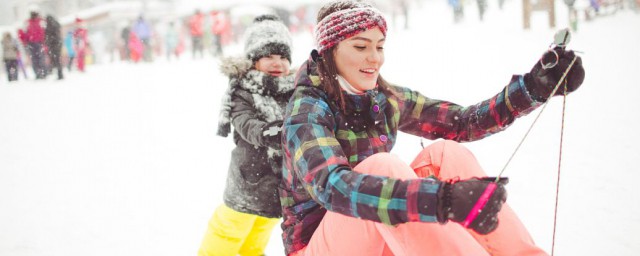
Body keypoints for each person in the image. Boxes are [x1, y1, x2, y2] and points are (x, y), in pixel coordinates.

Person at [279, 1, 585, 256]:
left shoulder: (383, 98)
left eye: (380, 46)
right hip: (319, 245)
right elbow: (334, 188)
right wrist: (440, 199)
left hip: (377, 231)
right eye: (361, 47)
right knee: (382, 166)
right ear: (330, 51)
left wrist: (533, 87)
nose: (374, 58)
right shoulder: (307, 110)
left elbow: (461, 123)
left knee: (445, 152)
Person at [198, 14, 295, 256]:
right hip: (247, 182)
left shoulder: (294, 90)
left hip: (279, 188)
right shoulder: (243, 91)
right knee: (228, 232)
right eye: (268, 56)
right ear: (252, 60)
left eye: (283, 57)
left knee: (257, 236)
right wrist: (268, 132)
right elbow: (245, 124)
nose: (277, 62)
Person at [24, 11, 46, 79]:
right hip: (35, 43)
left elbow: (26, 33)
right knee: (37, 59)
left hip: (36, 43)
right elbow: (26, 34)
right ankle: (39, 73)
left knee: (37, 59)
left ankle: (40, 73)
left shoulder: (38, 21)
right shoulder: (37, 22)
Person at [45, 15, 63, 80]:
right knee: (57, 60)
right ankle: (60, 73)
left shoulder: (49, 26)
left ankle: (58, 74)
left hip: (53, 45)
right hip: (58, 44)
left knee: (55, 59)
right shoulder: (56, 24)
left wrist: (47, 43)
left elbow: (48, 37)